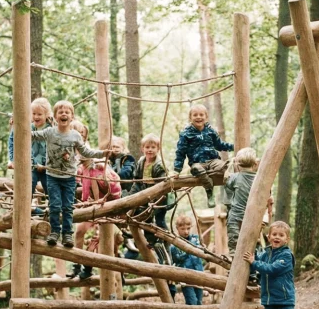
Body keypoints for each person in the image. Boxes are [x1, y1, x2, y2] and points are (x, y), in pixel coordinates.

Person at [31, 100, 110, 248]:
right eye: (60, 112)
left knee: (67, 207)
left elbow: (86, 152)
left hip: (69, 178)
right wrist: (18, 127)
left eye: (67, 112)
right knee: (55, 205)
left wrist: (102, 153)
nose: (64, 114)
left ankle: (67, 234)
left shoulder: (75, 136)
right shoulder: (50, 132)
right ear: (55, 117)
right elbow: (33, 135)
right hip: (53, 176)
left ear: (72, 117)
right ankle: (55, 232)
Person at [68, 151, 122, 280]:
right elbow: (86, 192)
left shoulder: (93, 171)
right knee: (80, 231)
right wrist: (84, 203)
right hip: (96, 204)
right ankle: (77, 265)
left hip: (106, 206)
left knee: (99, 238)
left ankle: (88, 268)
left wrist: (90, 203)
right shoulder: (85, 170)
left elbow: (96, 195)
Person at [173, 104, 233, 206]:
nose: (198, 117)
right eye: (195, 115)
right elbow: (180, 152)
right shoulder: (186, 134)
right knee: (196, 169)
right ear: (190, 118)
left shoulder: (211, 131)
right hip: (197, 163)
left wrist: (233, 146)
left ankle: (229, 198)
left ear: (206, 117)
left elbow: (219, 145)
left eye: (201, 115)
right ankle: (209, 190)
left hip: (213, 160)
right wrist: (177, 170)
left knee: (226, 168)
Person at [127, 133, 172, 262]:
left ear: (158, 149)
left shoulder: (160, 164)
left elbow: (162, 186)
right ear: (142, 149)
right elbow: (137, 181)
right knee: (145, 218)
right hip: (145, 194)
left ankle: (164, 240)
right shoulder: (141, 162)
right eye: (147, 147)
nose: (150, 150)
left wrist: (155, 200)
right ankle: (153, 241)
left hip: (160, 197)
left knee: (159, 220)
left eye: (153, 147)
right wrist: (131, 197)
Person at [9, 98, 53, 215]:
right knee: (28, 184)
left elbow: (53, 149)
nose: (36, 116)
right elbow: (13, 141)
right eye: (33, 114)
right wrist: (13, 159)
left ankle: (53, 210)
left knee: (50, 187)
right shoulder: (28, 127)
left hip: (46, 166)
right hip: (31, 165)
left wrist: (46, 164)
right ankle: (25, 209)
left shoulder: (51, 129)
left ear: (46, 115)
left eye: (39, 114)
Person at [170, 215, 205, 309]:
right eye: (183, 229)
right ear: (177, 228)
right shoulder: (175, 244)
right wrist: (189, 249)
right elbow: (177, 259)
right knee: (191, 302)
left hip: (199, 275)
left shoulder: (195, 239)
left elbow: (202, 253)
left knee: (198, 302)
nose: (186, 231)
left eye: (188, 228)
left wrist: (202, 247)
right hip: (186, 277)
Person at [224, 147, 258, 251]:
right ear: (254, 164)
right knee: (250, 240)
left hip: (235, 215)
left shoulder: (235, 177)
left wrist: (230, 166)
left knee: (234, 239)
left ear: (238, 165)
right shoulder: (257, 178)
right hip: (251, 216)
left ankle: (233, 254)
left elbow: (226, 181)